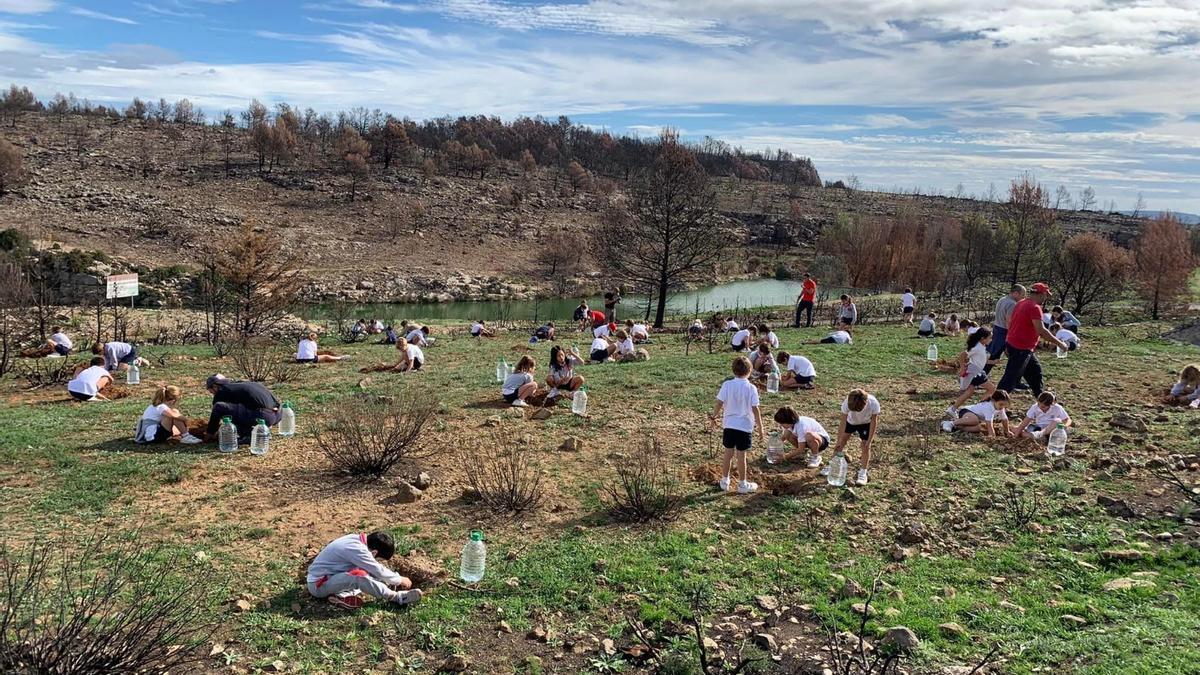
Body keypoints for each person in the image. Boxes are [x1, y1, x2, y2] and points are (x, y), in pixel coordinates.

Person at [306, 531, 422, 610]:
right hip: (318, 586)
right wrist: (399, 579)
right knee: (359, 577)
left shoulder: (357, 540)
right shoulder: (357, 550)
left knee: (364, 572)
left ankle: (340, 596)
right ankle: (396, 597)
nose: (377, 561)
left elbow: (373, 567)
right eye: (378, 559)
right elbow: (378, 570)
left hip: (332, 576)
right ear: (374, 552)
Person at [996, 283, 1069, 397]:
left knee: (1035, 373)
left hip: (1016, 344)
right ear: (1041, 294)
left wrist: (1007, 341)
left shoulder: (1021, 303)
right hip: (1021, 347)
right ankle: (993, 403)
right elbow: (1041, 330)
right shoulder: (1034, 308)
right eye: (1046, 295)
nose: (1045, 298)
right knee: (1010, 379)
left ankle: (1042, 399)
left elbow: (1011, 323)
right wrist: (1059, 343)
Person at [709, 356, 764, 494]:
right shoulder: (751, 388)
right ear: (750, 370)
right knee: (741, 456)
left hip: (729, 425)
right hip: (744, 427)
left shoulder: (727, 385)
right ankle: (742, 484)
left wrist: (714, 416)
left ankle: (724, 481)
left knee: (728, 453)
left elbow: (719, 402)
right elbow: (755, 409)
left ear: (733, 370)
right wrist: (760, 427)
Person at [204, 374, 281, 443]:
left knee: (219, 407)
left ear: (215, 386)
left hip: (263, 415)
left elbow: (217, 409)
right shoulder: (245, 384)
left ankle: (248, 435)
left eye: (211, 391)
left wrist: (210, 432)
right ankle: (262, 432)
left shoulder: (222, 390)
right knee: (239, 410)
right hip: (277, 414)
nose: (212, 394)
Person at [831, 388, 879, 486]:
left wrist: (869, 440)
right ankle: (832, 467)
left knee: (865, 446)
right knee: (840, 443)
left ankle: (863, 473)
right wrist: (839, 440)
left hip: (866, 423)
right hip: (850, 422)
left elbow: (874, 422)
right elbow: (843, 422)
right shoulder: (846, 402)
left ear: (865, 403)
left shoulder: (873, 403)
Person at [947, 328, 997, 415]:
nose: (991, 340)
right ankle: (980, 408)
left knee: (969, 392)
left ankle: (952, 409)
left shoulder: (981, 346)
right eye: (990, 338)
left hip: (974, 371)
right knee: (992, 389)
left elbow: (981, 360)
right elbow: (962, 355)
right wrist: (962, 368)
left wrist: (993, 362)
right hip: (975, 372)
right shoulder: (977, 347)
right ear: (983, 338)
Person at [136, 384, 203, 444]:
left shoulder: (154, 406)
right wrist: (186, 420)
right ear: (173, 400)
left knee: (175, 422)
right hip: (153, 437)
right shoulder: (161, 406)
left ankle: (184, 432)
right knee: (174, 413)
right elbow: (174, 415)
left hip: (150, 435)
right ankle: (186, 436)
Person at [987, 285, 1025, 369]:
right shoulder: (1012, 304)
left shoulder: (1002, 299)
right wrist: (1010, 335)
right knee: (995, 356)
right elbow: (1009, 321)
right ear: (1016, 293)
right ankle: (981, 373)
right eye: (1022, 295)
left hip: (996, 328)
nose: (1023, 298)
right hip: (1004, 331)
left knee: (993, 353)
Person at [944, 390, 1013, 436]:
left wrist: (1007, 431)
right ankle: (950, 423)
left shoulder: (1000, 408)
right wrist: (991, 434)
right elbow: (989, 423)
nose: (1002, 407)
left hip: (976, 418)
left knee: (980, 428)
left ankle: (958, 427)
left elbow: (1005, 420)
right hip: (966, 411)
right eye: (1001, 404)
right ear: (993, 400)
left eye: (1005, 405)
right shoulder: (988, 407)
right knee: (974, 420)